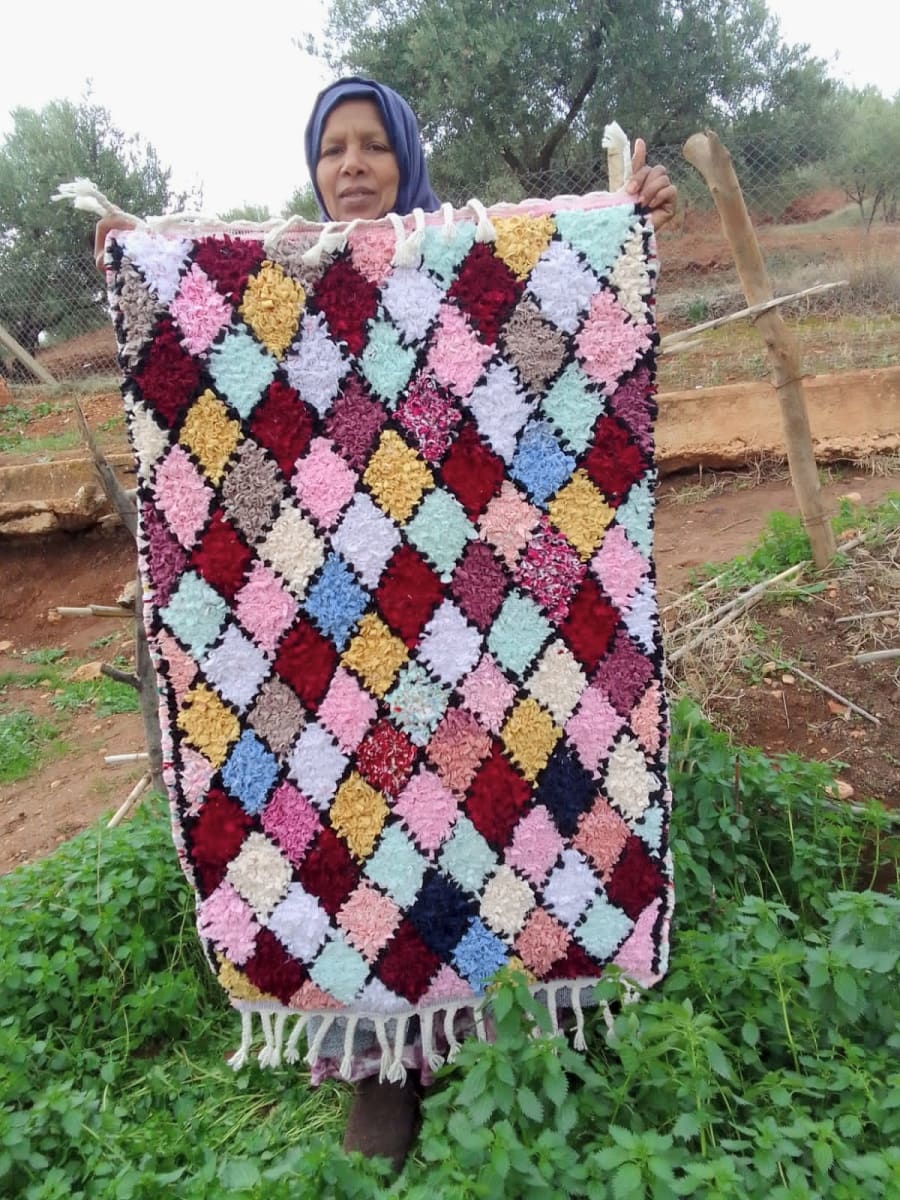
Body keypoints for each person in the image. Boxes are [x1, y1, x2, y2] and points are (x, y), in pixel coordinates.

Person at [93, 74, 677, 1172]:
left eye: (371, 145)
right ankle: (378, 1061)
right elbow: (224, 411)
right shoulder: (274, 287)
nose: (351, 165)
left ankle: (497, 1016)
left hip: (478, 612)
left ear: (406, 155)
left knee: (495, 799)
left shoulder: (470, 267)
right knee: (346, 827)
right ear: (311, 168)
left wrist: (623, 228)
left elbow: (550, 376)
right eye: (333, 149)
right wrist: (147, 274)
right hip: (320, 636)